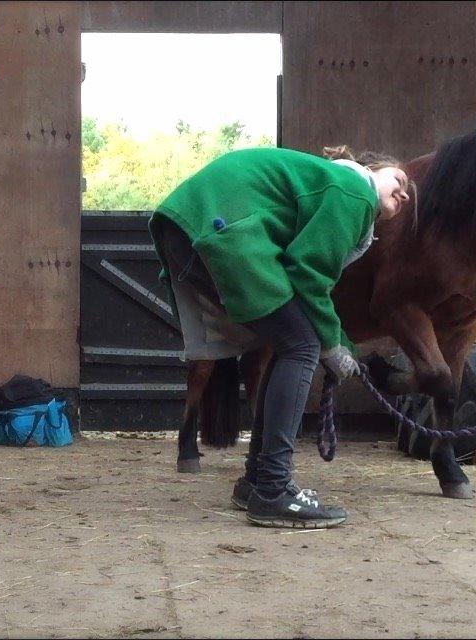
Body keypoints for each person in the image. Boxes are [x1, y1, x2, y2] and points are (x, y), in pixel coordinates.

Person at [150, 145, 410, 529]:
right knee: (302, 345)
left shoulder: (331, 186)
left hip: (196, 220)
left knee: (293, 341)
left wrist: (338, 344)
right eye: (400, 181)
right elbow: (308, 274)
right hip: (220, 222)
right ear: (375, 170)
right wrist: (331, 345)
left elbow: (305, 282)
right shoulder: (355, 188)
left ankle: (257, 480)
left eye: (408, 196)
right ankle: (272, 489)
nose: (403, 193)